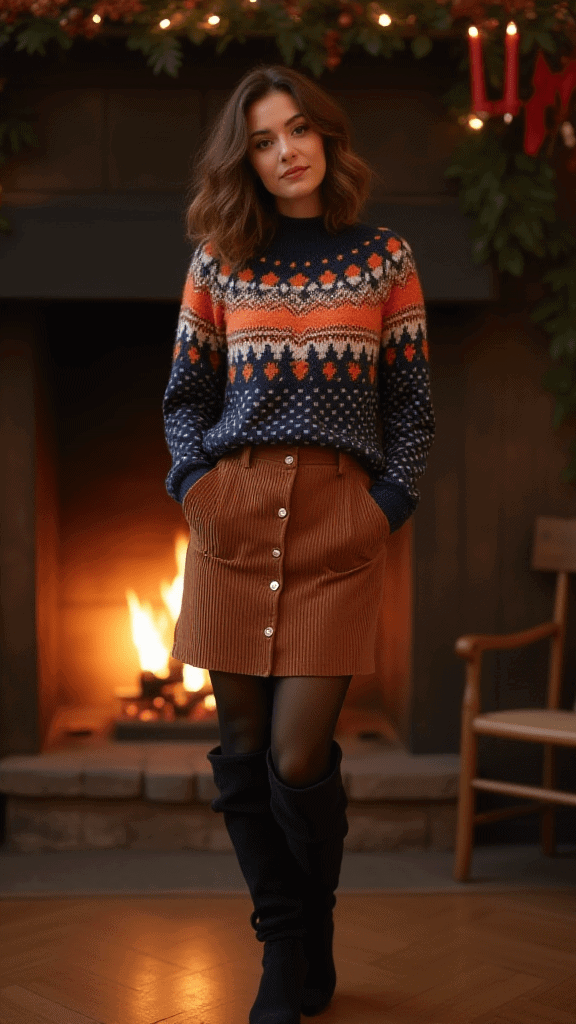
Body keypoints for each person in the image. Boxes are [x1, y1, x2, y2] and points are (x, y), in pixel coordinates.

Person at [162, 63, 435, 1023]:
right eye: (267, 139)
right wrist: (198, 490)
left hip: (337, 518)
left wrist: (382, 508)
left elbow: (412, 411)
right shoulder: (218, 260)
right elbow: (185, 401)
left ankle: (308, 923)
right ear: (248, 157)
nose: (287, 151)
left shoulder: (383, 258)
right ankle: (288, 944)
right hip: (233, 510)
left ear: (328, 137)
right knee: (239, 747)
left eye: (301, 130)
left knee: (297, 753)